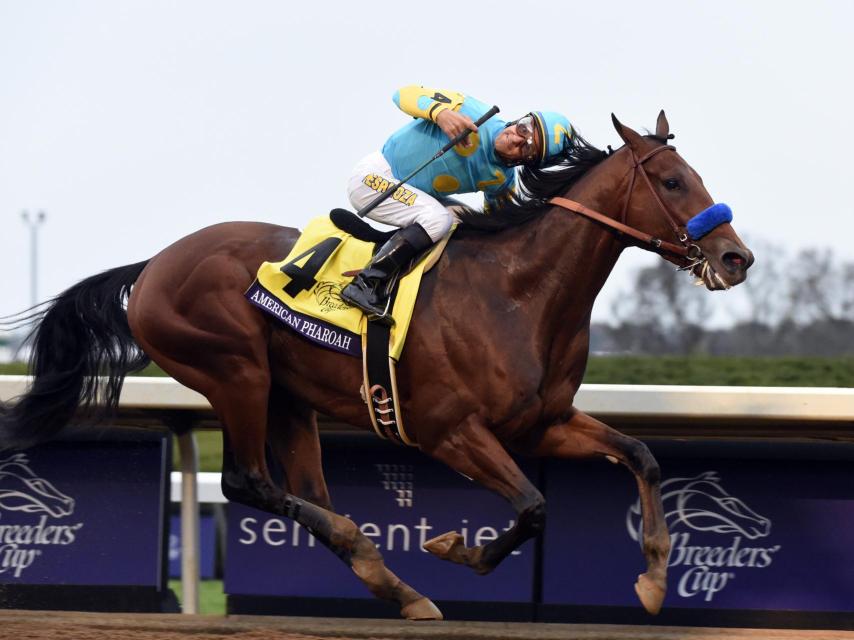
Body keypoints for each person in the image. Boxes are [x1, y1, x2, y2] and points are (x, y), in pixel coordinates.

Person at [341, 85, 574, 320]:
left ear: (526, 163)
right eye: (523, 128)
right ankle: (365, 283)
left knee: (468, 223)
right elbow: (401, 94)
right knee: (438, 219)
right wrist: (439, 113)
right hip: (373, 179)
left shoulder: (501, 180)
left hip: (407, 194)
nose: (515, 138)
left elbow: (500, 231)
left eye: (528, 147)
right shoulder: (470, 110)